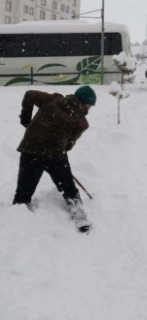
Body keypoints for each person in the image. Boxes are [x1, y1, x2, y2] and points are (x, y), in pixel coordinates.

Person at [13, 86, 96, 232]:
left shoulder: (53, 99)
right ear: (84, 103)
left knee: (24, 190)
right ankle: (79, 214)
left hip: (30, 149)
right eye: (90, 105)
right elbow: (69, 144)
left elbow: (30, 94)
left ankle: (17, 218)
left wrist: (26, 119)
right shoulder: (82, 123)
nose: (90, 108)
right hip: (55, 155)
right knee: (68, 186)